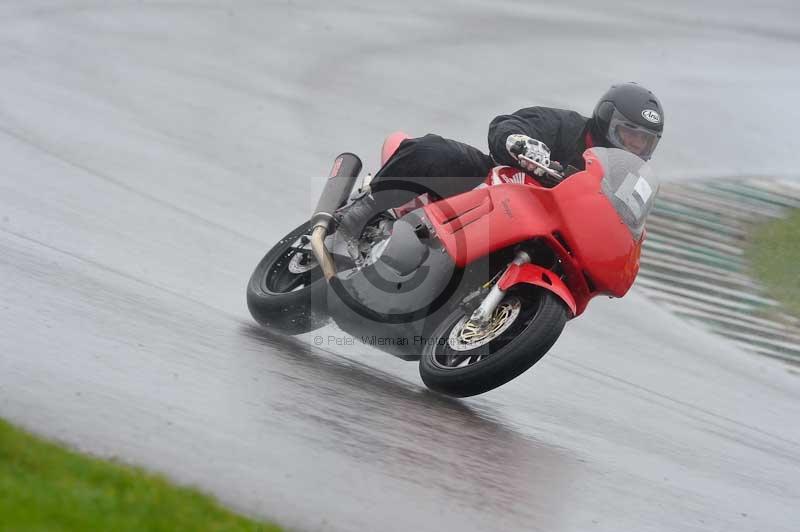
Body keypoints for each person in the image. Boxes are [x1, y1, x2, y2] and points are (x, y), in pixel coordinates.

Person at [337, 82, 664, 239]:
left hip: (546, 230)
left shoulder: (626, 181)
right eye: (629, 135)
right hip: (499, 190)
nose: (635, 146)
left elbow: (623, 225)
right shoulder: (566, 126)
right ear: (607, 121)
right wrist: (519, 142)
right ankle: (362, 210)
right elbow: (511, 124)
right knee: (436, 151)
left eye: (644, 141)